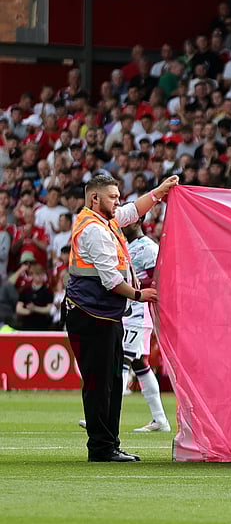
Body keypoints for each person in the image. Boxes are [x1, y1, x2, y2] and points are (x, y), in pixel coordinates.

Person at [66, 174, 178, 462]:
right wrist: (141, 295)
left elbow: (132, 211)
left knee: (111, 382)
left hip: (102, 314)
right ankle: (102, 448)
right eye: (113, 197)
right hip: (92, 315)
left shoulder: (104, 220)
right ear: (95, 198)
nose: (118, 201)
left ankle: (108, 444)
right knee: (100, 383)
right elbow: (111, 280)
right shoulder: (94, 230)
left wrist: (159, 192)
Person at [122, 221, 171, 433]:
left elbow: (160, 280)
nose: (123, 224)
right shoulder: (125, 245)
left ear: (139, 221)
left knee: (120, 358)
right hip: (127, 312)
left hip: (139, 313)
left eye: (128, 219)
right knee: (140, 364)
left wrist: (135, 286)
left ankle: (106, 418)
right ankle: (160, 419)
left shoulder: (148, 248)